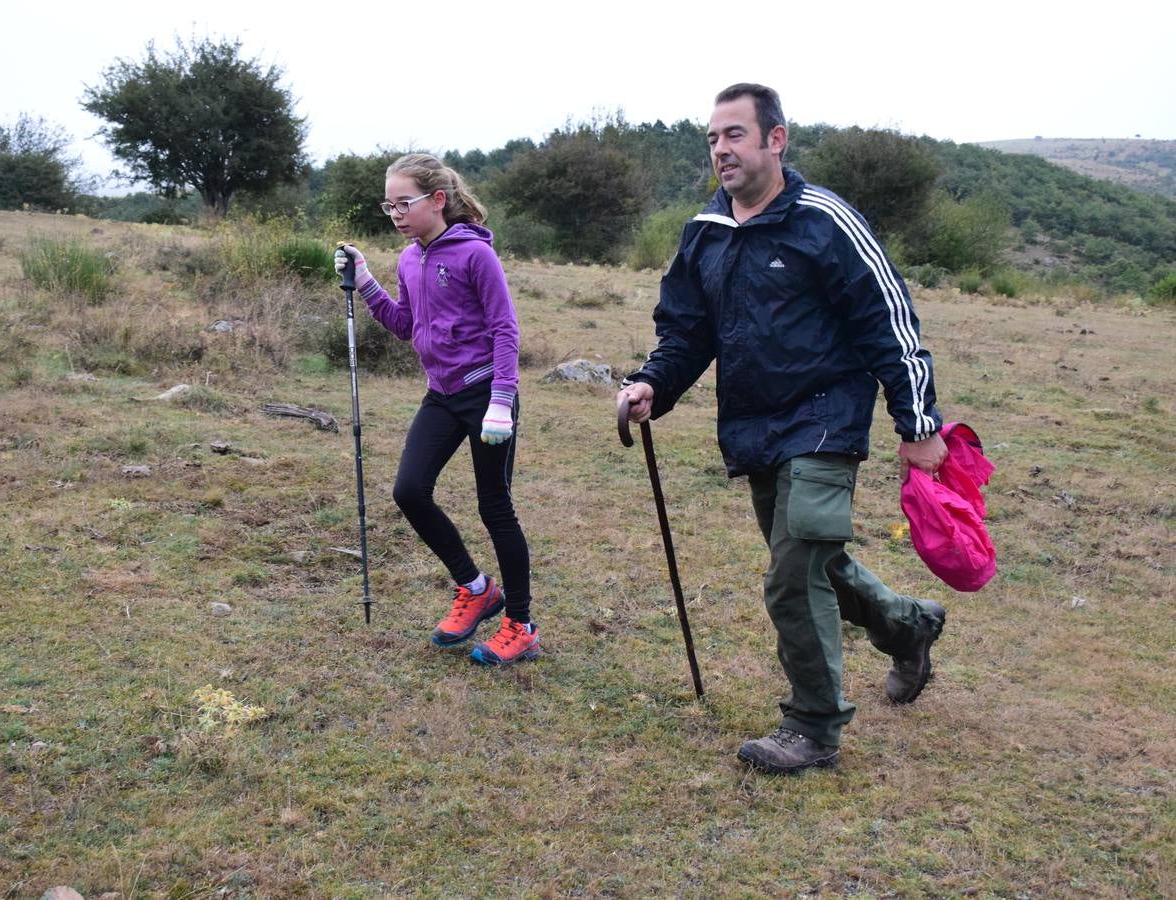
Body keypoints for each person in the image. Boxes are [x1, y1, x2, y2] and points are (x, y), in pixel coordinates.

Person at [617, 84, 950, 775]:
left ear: (776, 139)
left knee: (793, 575)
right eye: (712, 138)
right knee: (816, 558)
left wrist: (917, 424)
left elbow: (890, 324)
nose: (720, 150)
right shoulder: (706, 231)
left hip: (826, 417)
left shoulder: (824, 221)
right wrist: (654, 381)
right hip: (753, 425)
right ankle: (908, 627)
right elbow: (687, 331)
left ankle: (813, 727)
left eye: (735, 135)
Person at [335, 153, 538, 666]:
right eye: (389, 206)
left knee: (495, 506)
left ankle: (520, 624)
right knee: (409, 490)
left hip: (487, 393)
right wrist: (364, 279)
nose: (397, 214)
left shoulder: (475, 256)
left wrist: (501, 401)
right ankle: (475, 587)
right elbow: (405, 324)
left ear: (438, 200)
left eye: (405, 203)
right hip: (442, 395)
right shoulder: (409, 258)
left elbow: (505, 330)